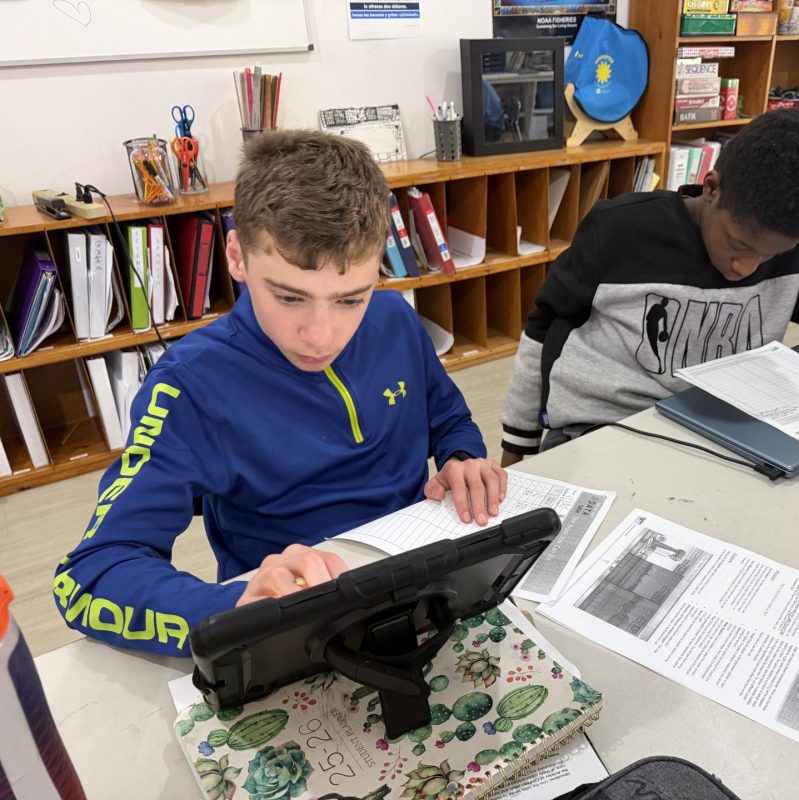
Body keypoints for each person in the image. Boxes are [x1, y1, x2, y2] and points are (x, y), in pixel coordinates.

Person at [52, 130, 507, 656]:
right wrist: (233, 608)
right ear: (237, 257)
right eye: (289, 297)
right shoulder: (190, 385)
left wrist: (461, 457)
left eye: (350, 299)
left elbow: (447, 418)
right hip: (295, 621)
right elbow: (90, 575)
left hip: (422, 581)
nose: (321, 336)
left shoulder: (395, 321)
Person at [500, 109, 799, 464]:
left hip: (720, 435)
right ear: (711, 188)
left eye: (770, 256)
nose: (745, 267)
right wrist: (516, 449)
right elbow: (542, 329)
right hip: (600, 430)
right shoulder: (620, 230)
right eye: (738, 243)